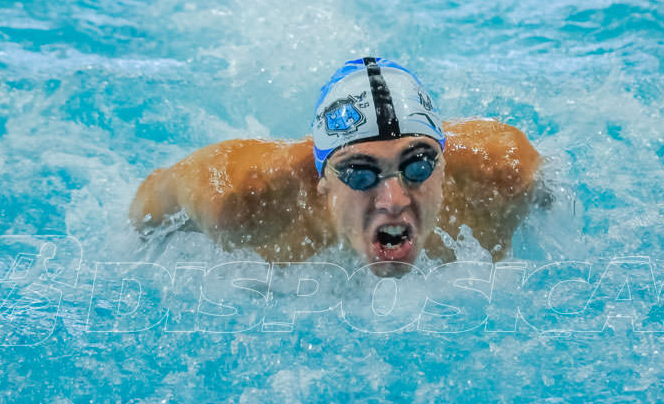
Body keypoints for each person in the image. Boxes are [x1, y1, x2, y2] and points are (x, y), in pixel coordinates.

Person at [130, 57, 541, 274]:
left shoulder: (503, 174)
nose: (393, 200)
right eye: (361, 173)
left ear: (444, 166)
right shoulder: (239, 200)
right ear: (322, 179)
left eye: (417, 167)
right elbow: (143, 215)